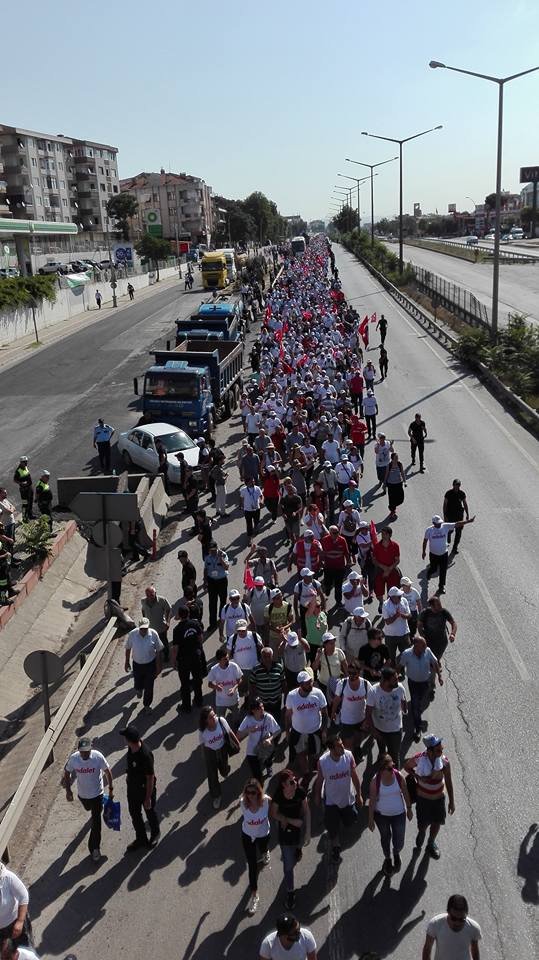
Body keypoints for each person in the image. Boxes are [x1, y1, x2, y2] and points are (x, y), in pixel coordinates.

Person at [62, 735, 113, 862]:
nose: (84, 754)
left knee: (96, 821)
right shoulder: (74, 759)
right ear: (79, 750)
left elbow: (107, 771)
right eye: (82, 752)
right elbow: (67, 772)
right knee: (88, 809)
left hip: (97, 794)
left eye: (87, 751)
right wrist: (68, 790)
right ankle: (93, 811)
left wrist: (111, 789)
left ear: (91, 749)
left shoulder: (97, 757)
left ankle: (94, 848)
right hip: (83, 795)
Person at [404, 734, 455, 859]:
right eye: (438, 750)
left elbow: (448, 781)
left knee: (437, 823)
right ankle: (421, 833)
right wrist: (418, 776)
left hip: (438, 799)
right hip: (423, 801)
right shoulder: (419, 759)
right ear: (429, 751)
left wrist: (451, 802)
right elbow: (407, 767)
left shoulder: (444, 762)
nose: (441, 751)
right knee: (423, 825)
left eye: (441, 749)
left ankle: (431, 843)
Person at [314, 732, 362, 863]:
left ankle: (342, 820)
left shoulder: (349, 756)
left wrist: (360, 795)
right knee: (333, 827)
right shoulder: (323, 762)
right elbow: (319, 781)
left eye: (342, 744)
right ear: (331, 749)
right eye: (339, 746)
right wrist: (317, 796)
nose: (342, 747)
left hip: (347, 798)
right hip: (331, 801)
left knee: (350, 821)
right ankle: (336, 846)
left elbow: (355, 776)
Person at [368, 752, 413, 876]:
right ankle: (388, 858)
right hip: (381, 816)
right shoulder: (375, 781)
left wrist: (409, 808)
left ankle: (396, 852)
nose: (393, 767)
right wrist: (370, 819)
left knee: (399, 840)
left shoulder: (398, 776)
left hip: (399, 814)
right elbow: (371, 802)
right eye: (389, 767)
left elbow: (405, 792)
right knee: (385, 838)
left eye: (392, 764)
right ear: (382, 769)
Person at [270, 770, 310, 910]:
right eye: (291, 782)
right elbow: (273, 813)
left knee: (298, 845)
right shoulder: (279, 796)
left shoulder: (299, 791)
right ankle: (290, 892)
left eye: (295, 780)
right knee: (288, 865)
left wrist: (308, 832)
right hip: (286, 830)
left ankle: (298, 849)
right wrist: (288, 820)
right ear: (283, 785)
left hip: (299, 828)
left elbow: (306, 811)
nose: (295, 783)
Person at [120, 725, 160, 851]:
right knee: (135, 814)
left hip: (145, 791)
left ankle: (155, 834)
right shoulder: (131, 749)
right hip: (132, 790)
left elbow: (150, 778)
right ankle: (141, 839)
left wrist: (148, 798)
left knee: (150, 812)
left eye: (125, 738)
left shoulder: (145, 755)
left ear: (129, 740)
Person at [398, 636, 442, 741]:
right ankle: (417, 728)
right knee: (415, 704)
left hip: (424, 683)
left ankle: (416, 711)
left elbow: (435, 663)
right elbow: (400, 666)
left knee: (419, 702)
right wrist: (394, 677)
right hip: (413, 683)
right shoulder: (407, 654)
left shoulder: (427, 651)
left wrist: (439, 677)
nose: (426, 646)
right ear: (416, 646)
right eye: (423, 645)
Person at [285, 670, 328, 776]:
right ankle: (305, 772)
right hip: (298, 732)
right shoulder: (291, 696)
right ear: (300, 684)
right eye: (307, 683)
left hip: (315, 731)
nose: (310, 684)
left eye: (310, 681)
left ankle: (312, 767)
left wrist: (324, 731)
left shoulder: (318, 693)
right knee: (301, 753)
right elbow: (287, 715)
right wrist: (287, 732)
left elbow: (325, 713)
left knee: (315, 754)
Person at [240, 778, 272, 916]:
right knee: (252, 865)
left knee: (263, 848)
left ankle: (265, 852)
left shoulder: (266, 801)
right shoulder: (243, 803)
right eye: (248, 792)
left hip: (263, 834)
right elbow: (242, 798)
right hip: (247, 836)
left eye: (253, 792)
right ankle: (254, 895)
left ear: (258, 792)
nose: (250, 795)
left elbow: (278, 804)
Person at [422, 513, 475, 595]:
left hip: (444, 554)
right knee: (434, 569)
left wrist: (468, 521)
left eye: (440, 523)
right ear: (433, 523)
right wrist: (423, 552)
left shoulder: (445, 526)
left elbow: (457, 524)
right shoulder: (429, 530)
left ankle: (441, 587)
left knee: (443, 570)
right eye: (438, 523)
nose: (440, 524)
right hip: (433, 555)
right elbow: (425, 541)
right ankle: (429, 573)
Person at [198, 705, 239, 809]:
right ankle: (216, 796)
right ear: (205, 720)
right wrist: (204, 755)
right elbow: (202, 745)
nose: (214, 718)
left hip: (222, 749)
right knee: (212, 775)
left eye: (214, 715)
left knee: (224, 770)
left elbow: (229, 731)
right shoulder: (202, 731)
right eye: (211, 717)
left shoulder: (221, 721)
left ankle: (225, 770)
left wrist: (237, 742)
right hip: (210, 752)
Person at [365, 665, 407, 765]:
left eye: (397, 678)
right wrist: (373, 731)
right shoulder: (373, 692)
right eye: (394, 680)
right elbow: (368, 713)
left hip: (396, 730)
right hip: (379, 730)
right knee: (382, 753)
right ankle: (382, 771)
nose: (398, 681)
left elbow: (403, 702)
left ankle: (395, 776)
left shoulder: (400, 688)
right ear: (385, 681)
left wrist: (404, 707)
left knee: (394, 756)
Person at [331, 658, 372, 757]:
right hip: (346, 720)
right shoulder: (342, 684)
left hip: (360, 719)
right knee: (348, 745)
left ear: (359, 672)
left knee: (358, 739)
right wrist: (333, 713)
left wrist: (368, 718)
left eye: (354, 673)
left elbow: (370, 702)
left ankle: (357, 749)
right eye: (349, 672)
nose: (351, 675)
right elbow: (337, 700)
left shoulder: (366, 684)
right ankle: (349, 761)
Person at [422, 895, 482, 960]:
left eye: (461, 919)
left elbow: (475, 951)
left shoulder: (474, 928)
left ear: (466, 914)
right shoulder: (435, 924)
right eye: (453, 918)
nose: (457, 923)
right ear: (448, 912)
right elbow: (427, 949)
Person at [124, 617, 163, 714]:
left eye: (145, 628)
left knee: (149, 686)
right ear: (139, 627)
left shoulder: (153, 634)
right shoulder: (133, 634)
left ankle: (147, 705)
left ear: (148, 627)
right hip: (137, 665)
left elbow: (158, 650)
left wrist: (158, 666)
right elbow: (128, 648)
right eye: (142, 628)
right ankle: (139, 689)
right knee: (138, 683)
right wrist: (126, 662)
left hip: (150, 665)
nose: (143, 630)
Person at [238, 697, 281, 783]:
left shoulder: (268, 717)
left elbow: (278, 730)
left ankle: (268, 766)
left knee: (267, 760)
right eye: (259, 708)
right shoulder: (248, 719)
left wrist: (270, 739)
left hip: (265, 747)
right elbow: (238, 735)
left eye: (262, 706)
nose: (262, 709)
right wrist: (249, 730)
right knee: (257, 775)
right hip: (252, 751)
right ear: (253, 710)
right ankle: (259, 788)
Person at [171, 607, 206, 712]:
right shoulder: (195, 624)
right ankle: (199, 701)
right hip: (195, 657)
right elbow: (200, 638)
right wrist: (198, 648)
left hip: (183, 660)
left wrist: (173, 661)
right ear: (189, 613)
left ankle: (186, 707)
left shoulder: (177, 629)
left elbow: (175, 648)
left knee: (185, 684)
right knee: (197, 679)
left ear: (179, 615)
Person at [250, 647, 286, 725]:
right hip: (263, 702)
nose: (266, 659)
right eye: (264, 657)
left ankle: (276, 732)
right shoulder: (255, 669)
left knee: (276, 719)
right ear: (261, 657)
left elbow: (283, 682)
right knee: (264, 720)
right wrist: (254, 698)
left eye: (268, 656)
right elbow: (252, 684)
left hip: (276, 701)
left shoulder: (279, 667)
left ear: (272, 656)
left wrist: (284, 695)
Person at [207, 645, 243, 720]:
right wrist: (216, 687)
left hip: (234, 700)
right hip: (221, 702)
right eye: (225, 659)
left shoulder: (234, 666)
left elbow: (240, 679)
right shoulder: (214, 670)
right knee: (220, 722)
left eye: (228, 658)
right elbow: (209, 684)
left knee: (236, 720)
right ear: (219, 660)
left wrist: (234, 688)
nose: (228, 660)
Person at [0, 864, 31, 947]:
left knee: (23, 949)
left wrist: (20, 921)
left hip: (15, 925)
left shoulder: (7, 877)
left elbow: (23, 896)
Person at [312, 632, 347, 705]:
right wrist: (318, 656)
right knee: (325, 704)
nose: (333, 645)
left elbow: (345, 667)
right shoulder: (320, 654)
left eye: (334, 642)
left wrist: (346, 681)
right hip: (323, 684)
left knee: (336, 704)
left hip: (336, 684)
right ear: (325, 644)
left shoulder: (339, 652)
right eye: (331, 643)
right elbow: (314, 667)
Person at [372, 526, 401, 613]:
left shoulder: (395, 546)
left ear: (390, 535)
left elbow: (397, 560)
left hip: (392, 570)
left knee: (392, 590)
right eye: (382, 533)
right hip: (380, 570)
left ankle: (389, 604)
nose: (383, 535)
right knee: (378, 591)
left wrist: (389, 569)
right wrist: (384, 567)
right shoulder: (377, 546)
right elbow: (374, 560)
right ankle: (381, 602)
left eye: (385, 534)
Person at [321, 526, 350, 606]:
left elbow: (346, 552)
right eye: (334, 533)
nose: (337, 534)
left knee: (338, 586)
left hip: (339, 568)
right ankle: (328, 588)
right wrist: (321, 562)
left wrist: (348, 562)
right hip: (328, 567)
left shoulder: (342, 540)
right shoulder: (325, 540)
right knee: (328, 583)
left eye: (337, 532)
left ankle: (338, 601)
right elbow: (321, 553)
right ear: (330, 533)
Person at [141, 586, 171, 661]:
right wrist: (144, 622)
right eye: (147, 595)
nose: (150, 597)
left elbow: (168, 610)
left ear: (155, 593)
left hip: (160, 627)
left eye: (151, 595)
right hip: (150, 628)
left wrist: (168, 622)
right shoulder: (143, 601)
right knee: (151, 644)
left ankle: (166, 656)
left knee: (163, 642)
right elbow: (143, 610)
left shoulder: (162, 600)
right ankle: (154, 658)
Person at [203, 542, 229, 628]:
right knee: (212, 603)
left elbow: (226, 567)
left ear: (217, 548)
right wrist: (205, 582)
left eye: (214, 550)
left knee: (222, 601)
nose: (212, 552)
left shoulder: (223, 555)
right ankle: (212, 624)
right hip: (212, 582)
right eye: (211, 550)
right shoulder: (207, 557)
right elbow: (206, 569)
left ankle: (221, 618)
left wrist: (220, 558)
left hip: (222, 581)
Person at [382, 586, 411, 664]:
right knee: (391, 657)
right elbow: (387, 621)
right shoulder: (385, 605)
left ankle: (401, 669)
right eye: (398, 596)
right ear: (392, 597)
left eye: (400, 595)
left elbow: (409, 616)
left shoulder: (404, 601)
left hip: (404, 634)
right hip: (390, 636)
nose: (400, 597)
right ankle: (393, 671)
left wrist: (401, 615)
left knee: (406, 654)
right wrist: (396, 616)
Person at [443, 479, 470, 554]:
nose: (457, 486)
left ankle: (455, 547)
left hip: (459, 516)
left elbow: (465, 504)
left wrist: (467, 514)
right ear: (453, 485)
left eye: (458, 485)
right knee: (449, 530)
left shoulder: (462, 494)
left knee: (458, 533)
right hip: (450, 515)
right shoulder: (448, 493)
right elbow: (445, 505)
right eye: (456, 485)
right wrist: (445, 516)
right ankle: (447, 540)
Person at [384, 452, 406, 519]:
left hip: (399, 483)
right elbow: (386, 474)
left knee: (401, 498)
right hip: (391, 485)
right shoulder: (389, 465)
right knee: (391, 499)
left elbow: (402, 472)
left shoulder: (399, 464)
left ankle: (394, 506)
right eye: (395, 458)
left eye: (397, 457)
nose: (397, 459)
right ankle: (392, 510)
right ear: (392, 459)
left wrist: (405, 481)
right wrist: (384, 483)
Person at [210, 453, 228, 518]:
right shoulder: (219, 469)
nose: (224, 461)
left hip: (217, 484)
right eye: (223, 460)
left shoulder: (215, 467)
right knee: (223, 499)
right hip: (221, 485)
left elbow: (211, 473)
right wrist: (226, 476)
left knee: (218, 498)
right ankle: (223, 513)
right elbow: (222, 479)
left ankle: (218, 511)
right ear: (220, 461)